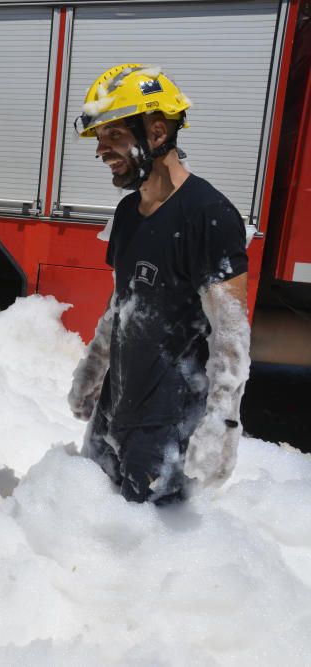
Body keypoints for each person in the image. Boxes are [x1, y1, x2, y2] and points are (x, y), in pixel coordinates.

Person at [68, 64, 251, 504]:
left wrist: (222, 424)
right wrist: (93, 370)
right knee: (88, 523)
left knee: (143, 549)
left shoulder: (208, 214)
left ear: (155, 130)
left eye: (112, 135)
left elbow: (231, 334)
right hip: (115, 407)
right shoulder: (129, 213)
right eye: (99, 139)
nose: (101, 150)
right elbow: (122, 304)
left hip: (168, 427)